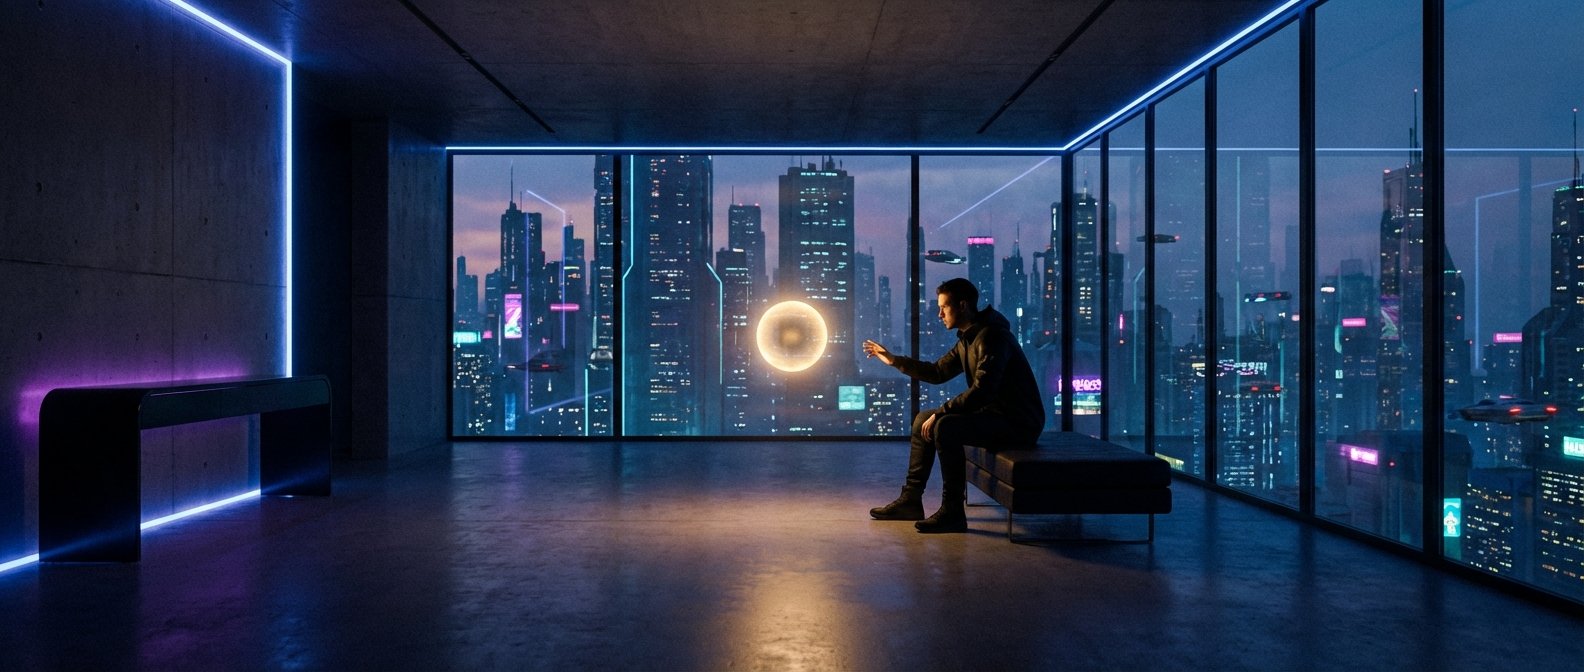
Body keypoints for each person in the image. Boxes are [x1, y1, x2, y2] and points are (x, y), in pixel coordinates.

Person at [862, 278, 1045, 533]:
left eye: (943, 308)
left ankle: (952, 512)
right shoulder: (969, 338)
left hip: (1018, 423)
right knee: (921, 419)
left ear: (962, 305)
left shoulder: (991, 337)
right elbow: (938, 372)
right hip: (995, 416)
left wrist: (942, 412)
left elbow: (983, 391)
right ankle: (911, 501)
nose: (939, 314)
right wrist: (894, 360)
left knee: (946, 426)